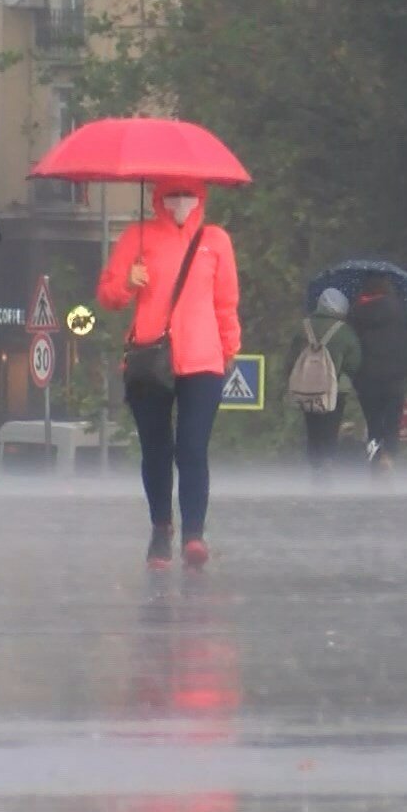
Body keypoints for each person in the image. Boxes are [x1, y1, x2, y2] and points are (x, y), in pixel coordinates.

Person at [98, 178, 240, 569]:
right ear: (158, 198)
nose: (181, 202)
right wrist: (129, 283)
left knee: (192, 448)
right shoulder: (137, 236)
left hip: (203, 359)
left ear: (201, 197)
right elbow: (108, 294)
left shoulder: (215, 240)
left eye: (188, 194)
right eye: (172, 195)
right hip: (150, 356)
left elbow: (226, 301)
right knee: (155, 449)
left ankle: (194, 532)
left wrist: (230, 347)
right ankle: (161, 528)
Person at [289, 288, 362, 480]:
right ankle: (327, 462)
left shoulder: (303, 327)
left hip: (306, 388)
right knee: (330, 426)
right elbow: (354, 363)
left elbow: (291, 359)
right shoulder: (345, 332)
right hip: (335, 390)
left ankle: (315, 466)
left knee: (312, 427)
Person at [350, 275, 407, 476]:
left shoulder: (356, 313)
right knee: (392, 421)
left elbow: (352, 344)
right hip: (396, 375)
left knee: (373, 423)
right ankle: (389, 457)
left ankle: (375, 461)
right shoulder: (402, 309)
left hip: (367, 378)